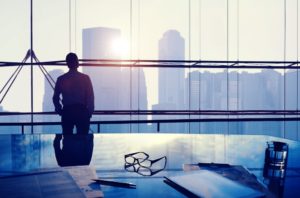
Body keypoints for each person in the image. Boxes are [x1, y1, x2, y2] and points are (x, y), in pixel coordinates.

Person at [53, 52, 94, 134]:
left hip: (67, 111)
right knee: (83, 139)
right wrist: (89, 112)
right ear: (77, 63)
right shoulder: (85, 78)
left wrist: (59, 110)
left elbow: (55, 97)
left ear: (67, 64)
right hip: (81, 111)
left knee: (67, 138)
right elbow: (90, 96)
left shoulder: (61, 79)